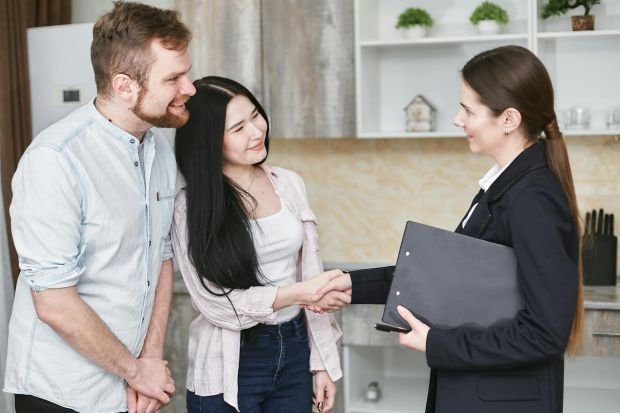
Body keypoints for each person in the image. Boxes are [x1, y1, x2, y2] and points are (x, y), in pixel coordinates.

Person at [312, 45, 584, 413]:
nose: (457, 119)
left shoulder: (532, 198)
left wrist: (438, 343)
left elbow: (544, 335)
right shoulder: (504, 187)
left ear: (508, 119)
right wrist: (352, 284)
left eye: (468, 110)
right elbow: (447, 279)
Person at [3, 2, 195, 413]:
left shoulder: (160, 149)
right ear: (125, 85)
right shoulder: (55, 159)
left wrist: (149, 360)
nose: (189, 88)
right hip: (62, 392)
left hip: (128, 384)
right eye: (174, 77)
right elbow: (54, 302)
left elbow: (160, 256)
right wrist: (136, 371)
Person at [172, 76, 348, 413]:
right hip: (232, 359)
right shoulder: (190, 207)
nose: (256, 131)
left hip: (295, 348)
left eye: (255, 115)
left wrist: (323, 362)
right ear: (209, 141)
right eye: (238, 128)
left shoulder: (288, 183)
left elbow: (310, 272)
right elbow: (216, 305)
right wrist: (298, 293)